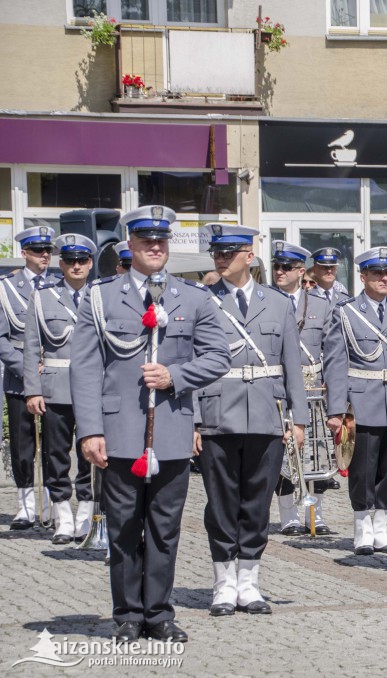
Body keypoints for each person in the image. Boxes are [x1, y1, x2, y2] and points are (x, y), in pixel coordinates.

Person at [71, 205, 230, 642]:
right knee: (123, 528)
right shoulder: (100, 297)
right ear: (130, 244)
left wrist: (176, 376)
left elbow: (220, 356)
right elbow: (85, 368)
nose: (155, 247)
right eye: (145, 240)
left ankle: (159, 613)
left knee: (164, 528)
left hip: (173, 434)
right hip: (119, 433)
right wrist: (90, 430)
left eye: (161, 240)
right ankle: (126, 614)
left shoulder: (194, 297)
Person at [196, 224, 308, 617]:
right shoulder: (201, 301)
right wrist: (194, 421)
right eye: (216, 254)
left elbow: (291, 365)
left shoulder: (278, 303)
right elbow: (190, 364)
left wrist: (299, 418)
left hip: (267, 414)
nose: (221, 260)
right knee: (222, 502)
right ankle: (224, 583)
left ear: (249, 255)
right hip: (217, 414)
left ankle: (250, 581)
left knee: (258, 502)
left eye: (229, 253)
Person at [324, 247, 387, 555]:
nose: (384, 279)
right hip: (362, 400)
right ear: (363, 277)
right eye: (376, 274)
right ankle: (362, 526)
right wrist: (336, 408)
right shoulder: (346, 311)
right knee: (362, 468)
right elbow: (335, 361)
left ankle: (383, 527)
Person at [24, 234, 97, 545]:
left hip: (94, 388)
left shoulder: (102, 296)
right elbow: (30, 348)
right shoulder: (43, 298)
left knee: (90, 454)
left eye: (82, 260)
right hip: (56, 387)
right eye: (69, 260)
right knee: (56, 454)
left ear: (91, 263)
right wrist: (32, 390)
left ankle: (86, 513)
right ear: (61, 263)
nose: (76, 266)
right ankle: (63, 515)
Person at [269, 240, 335, 536]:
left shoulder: (320, 305)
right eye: (276, 266)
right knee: (285, 456)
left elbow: (332, 351)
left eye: (286, 267)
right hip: (281, 389)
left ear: (300, 272)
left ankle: (315, 514)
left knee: (317, 453)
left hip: (314, 390)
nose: (279, 272)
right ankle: (288, 515)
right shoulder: (266, 301)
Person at [0, 224, 61, 530]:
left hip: (51, 374)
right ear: (24, 253)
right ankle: (25, 505)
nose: (45, 256)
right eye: (38, 251)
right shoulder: (5, 288)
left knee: (54, 442)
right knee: (23, 443)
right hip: (19, 376)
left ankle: (52, 502)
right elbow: (1, 338)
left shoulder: (60, 284)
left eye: (48, 250)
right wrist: (25, 368)